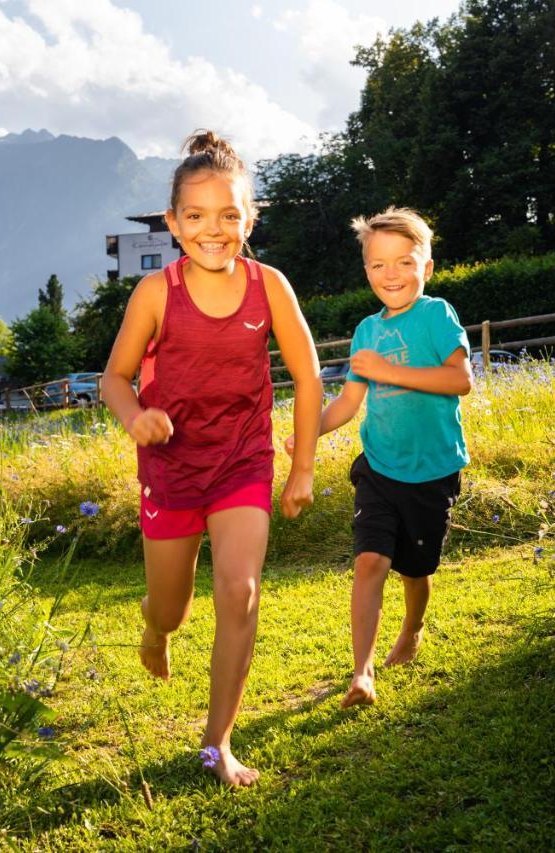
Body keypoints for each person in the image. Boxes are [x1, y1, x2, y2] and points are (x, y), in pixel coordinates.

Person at [100, 130, 321, 786]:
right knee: (171, 606)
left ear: (249, 219)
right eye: (195, 216)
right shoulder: (155, 294)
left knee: (240, 589)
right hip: (171, 469)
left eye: (230, 215)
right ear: (173, 224)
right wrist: (136, 416)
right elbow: (113, 377)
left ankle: (217, 742)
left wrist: (302, 465)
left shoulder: (269, 287)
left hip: (243, 462)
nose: (213, 230)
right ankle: (155, 627)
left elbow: (308, 378)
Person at [287, 207, 472, 709]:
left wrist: (390, 371)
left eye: (404, 262)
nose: (391, 275)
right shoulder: (366, 330)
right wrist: (307, 435)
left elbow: (460, 380)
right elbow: (348, 403)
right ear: (366, 270)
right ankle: (362, 673)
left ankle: (412, 628)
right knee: (370, 561)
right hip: (380, 466)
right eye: (378, 265)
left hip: (433, 470)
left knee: (416, 570)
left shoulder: (437, 315)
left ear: (426, 268)